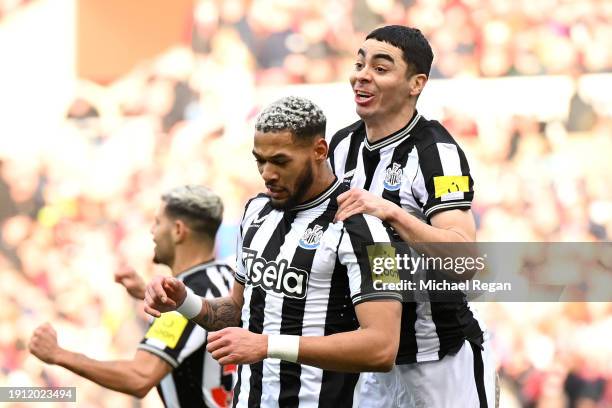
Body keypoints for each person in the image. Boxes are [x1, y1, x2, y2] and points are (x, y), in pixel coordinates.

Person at [143, 96, 403, 407]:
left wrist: (268, 345)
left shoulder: (366, 228)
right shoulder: (255, 211)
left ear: (320, 151)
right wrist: (184, 301)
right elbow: (237, 312)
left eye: (280, 161)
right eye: (260, 161)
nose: (267, 173)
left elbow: (382, 348)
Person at [328, 25, 497, 407]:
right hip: (372, 364)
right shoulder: (341, 146)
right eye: (359, 64)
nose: (362, 75)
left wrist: (391, 213)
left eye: (381, 68)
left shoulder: (437, 152)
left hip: (440, 362)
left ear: (415, 83)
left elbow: (465, 259)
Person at [29, 185, 236, 408]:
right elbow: (197, 316)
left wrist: (58, 354)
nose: (152, 231)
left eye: (158, 222)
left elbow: (139, 377)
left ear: (178, 230)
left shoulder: (187, 298)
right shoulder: (228, 279)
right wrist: (144, 292)